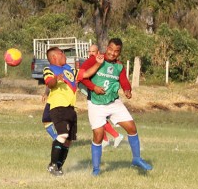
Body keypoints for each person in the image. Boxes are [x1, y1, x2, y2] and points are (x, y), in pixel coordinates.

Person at [78, 37, 152, 175]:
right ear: (107, 48)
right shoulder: (95, 59)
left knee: (131, 127)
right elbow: (81, 77)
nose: (113, 53)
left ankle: (136, 159)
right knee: (98, 135)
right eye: (111, 49)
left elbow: (123, 80)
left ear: (119, 52)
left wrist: (127, 89)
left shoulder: (119, 66)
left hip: (113, 102)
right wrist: (94, 87)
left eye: (116, 51)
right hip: (96, 103)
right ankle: (96, 169)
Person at [43, 46, 79, 176]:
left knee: (68, 140)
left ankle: (58, 167)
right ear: (54, 57)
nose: (64, 55)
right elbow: (50, 83)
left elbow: (85, 74)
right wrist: (56, 79)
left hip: (71, 108)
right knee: (62, 135)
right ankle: (52, 165)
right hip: (58, 107)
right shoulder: (49, 69)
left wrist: (97, 63)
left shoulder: (69, 69)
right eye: (61, 53)